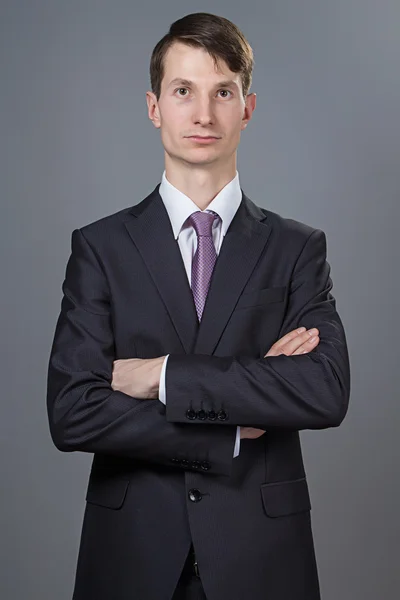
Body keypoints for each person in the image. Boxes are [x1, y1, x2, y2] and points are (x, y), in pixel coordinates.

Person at [46, 11, 350, 600]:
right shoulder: (101, 247)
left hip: (262, 557)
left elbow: (323, 390)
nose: (204, 114)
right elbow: (73, 411)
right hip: (131, 551)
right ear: (154, 106)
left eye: (223, 92)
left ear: (248, 107)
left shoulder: (297, 248)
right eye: (183, 91)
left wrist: (161, 376)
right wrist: (233, 424)